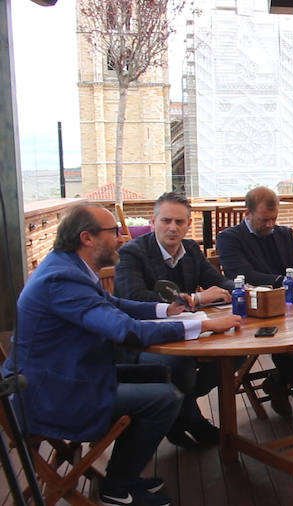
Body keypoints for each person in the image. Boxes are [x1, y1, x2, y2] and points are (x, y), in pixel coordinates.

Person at [1, 204, 240, 506]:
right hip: (51, 394)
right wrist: (202, 324)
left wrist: (166, 310)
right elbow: (126, 331)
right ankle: (116, 490)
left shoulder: (67, 266)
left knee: (162, 375)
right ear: (87, 238)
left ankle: (123, 478)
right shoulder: (62, 279)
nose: (120, 238)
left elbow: (114, 304)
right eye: (113, 231)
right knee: (165, 397)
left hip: (70, 375)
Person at [114, 192, 235, 448]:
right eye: (166, 220)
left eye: (180, 222)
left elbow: (216, 281)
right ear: (153, 221)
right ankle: (190, 417)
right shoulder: (132, 252)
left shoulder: (190, 249)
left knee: (237, 352)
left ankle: (179, 411)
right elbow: (133, 297)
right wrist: (197, 299)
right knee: (180, 366)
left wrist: (245, 290)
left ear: (188, 224)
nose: (173, 227)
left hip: (190, 332)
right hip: (145, 339)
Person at [216, 187, 293, 416]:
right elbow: (242, 275)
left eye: (274, 219)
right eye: (264, 220)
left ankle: (281, 381)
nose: (270, 225)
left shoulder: (284, 233)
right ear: (248, 213)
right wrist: (287, 281)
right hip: (256, 311)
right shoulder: (229, 238)